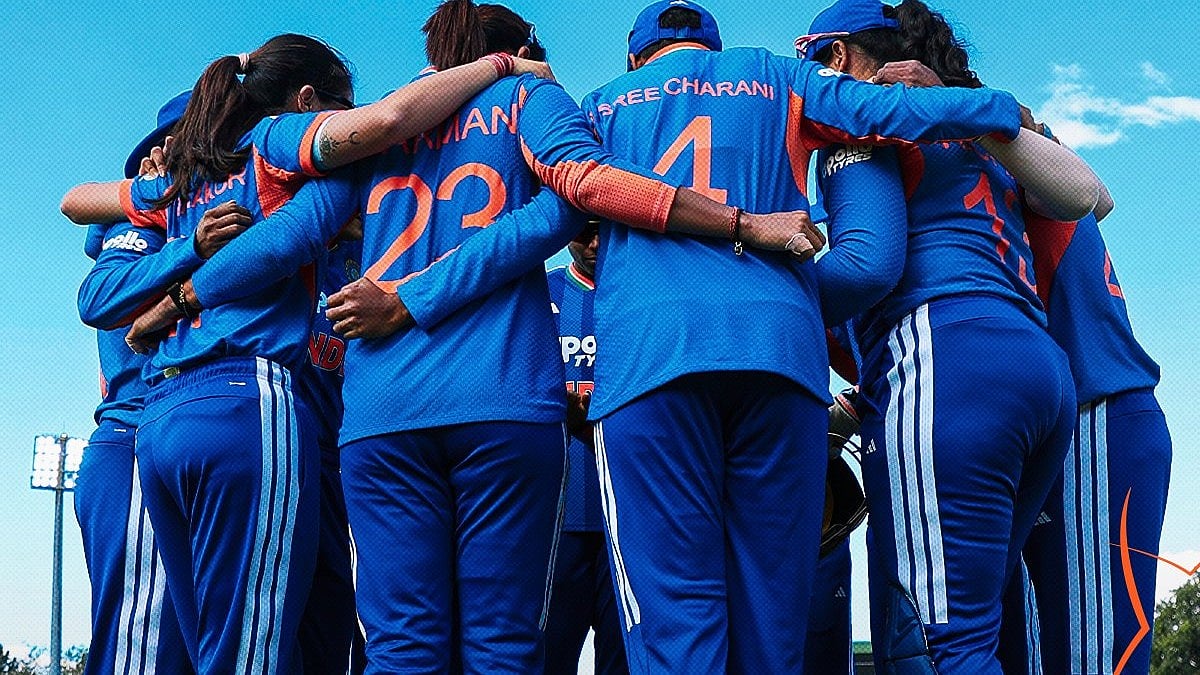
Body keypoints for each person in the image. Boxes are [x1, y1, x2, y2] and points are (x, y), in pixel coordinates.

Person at [141, 3, 822, 671]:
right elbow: (565, 209)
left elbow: (284, 240)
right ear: (521, 49)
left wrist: (181, 298)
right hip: (502, 401)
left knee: (402, 648)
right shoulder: (530, 97)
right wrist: (416, 298)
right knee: (502, 647)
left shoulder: (380, 123)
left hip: (383, 411)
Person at [61, 32, 552, 672]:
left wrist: (179, 292)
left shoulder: (175, 189)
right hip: (244, 403)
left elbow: (76, 201)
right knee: (243, 652)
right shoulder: (270, 150)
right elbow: (386, 125)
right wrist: (499, 67)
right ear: (306, 101)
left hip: (184, 416)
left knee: (236, 646)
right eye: (337, 105)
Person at [801, 0, 1105, 671]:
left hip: (941, 353)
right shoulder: (973, 125)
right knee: (981, 627)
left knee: (931, 645)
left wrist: (754, 293)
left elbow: (867, 267)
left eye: (812, 61)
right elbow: (1090, 197)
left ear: (842, 57)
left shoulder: (865, 121)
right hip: (1032, 364)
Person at [1001, 205, 1171, 675]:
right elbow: (1102, 196)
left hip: (1093, 412)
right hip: (1069, 421)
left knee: (1091, 663)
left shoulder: (1010, 161)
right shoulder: (1034, 163)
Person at [72, 92, 195, 675]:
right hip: (137, 436)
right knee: (140, 650)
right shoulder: (142, 233)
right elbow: (98, 295)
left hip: (194, 439)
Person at [543, 220, 628, 675]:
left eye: (603, 231)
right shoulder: (540, 296)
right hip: (556, 525)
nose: (593, 243)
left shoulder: (641, 298)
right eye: (582, 231)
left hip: (629, 526)